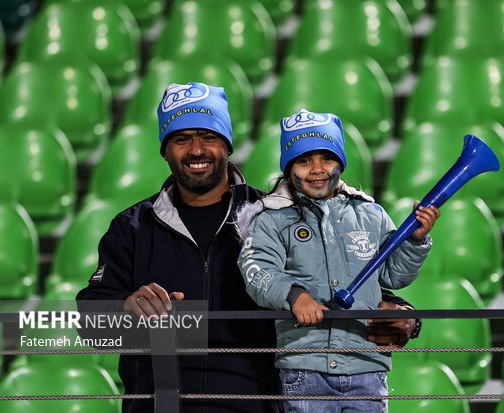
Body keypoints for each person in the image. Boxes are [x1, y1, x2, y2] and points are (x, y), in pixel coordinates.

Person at [76, 82, 421, 413]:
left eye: (209, 136)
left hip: (256, 406)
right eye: (182, 139)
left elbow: (355, 280)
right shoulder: (132, 227)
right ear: (164, 149)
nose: (197, 150)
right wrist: (125, 307)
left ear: (227, 144)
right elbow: (91, 327)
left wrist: (407, 318)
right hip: (158, 406)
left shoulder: (275, 217)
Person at [236, 109, 441, 413]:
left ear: (341, 163)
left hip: (367, 367)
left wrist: (415, 240)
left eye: (327, 159)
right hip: (304, 369)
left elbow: (394, 276)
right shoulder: (271, 219)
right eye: (304, 160)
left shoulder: (371, 214)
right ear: (288, 166)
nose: (317, 169)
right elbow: (257, 270)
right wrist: (293, 295)